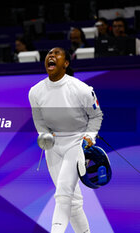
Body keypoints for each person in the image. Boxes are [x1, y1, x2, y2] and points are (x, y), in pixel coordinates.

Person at [29, 47, 103, 233]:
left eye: (57, 54)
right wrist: (44, 134)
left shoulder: (81, 89)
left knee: (62, 193)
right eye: (48, 53)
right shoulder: (35, 92)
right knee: (74, 201)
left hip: (76, 143)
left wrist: (90, 136)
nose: (51, 56)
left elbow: (96, 116)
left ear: (66, 63)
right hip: (53, 147)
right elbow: (39, 120)